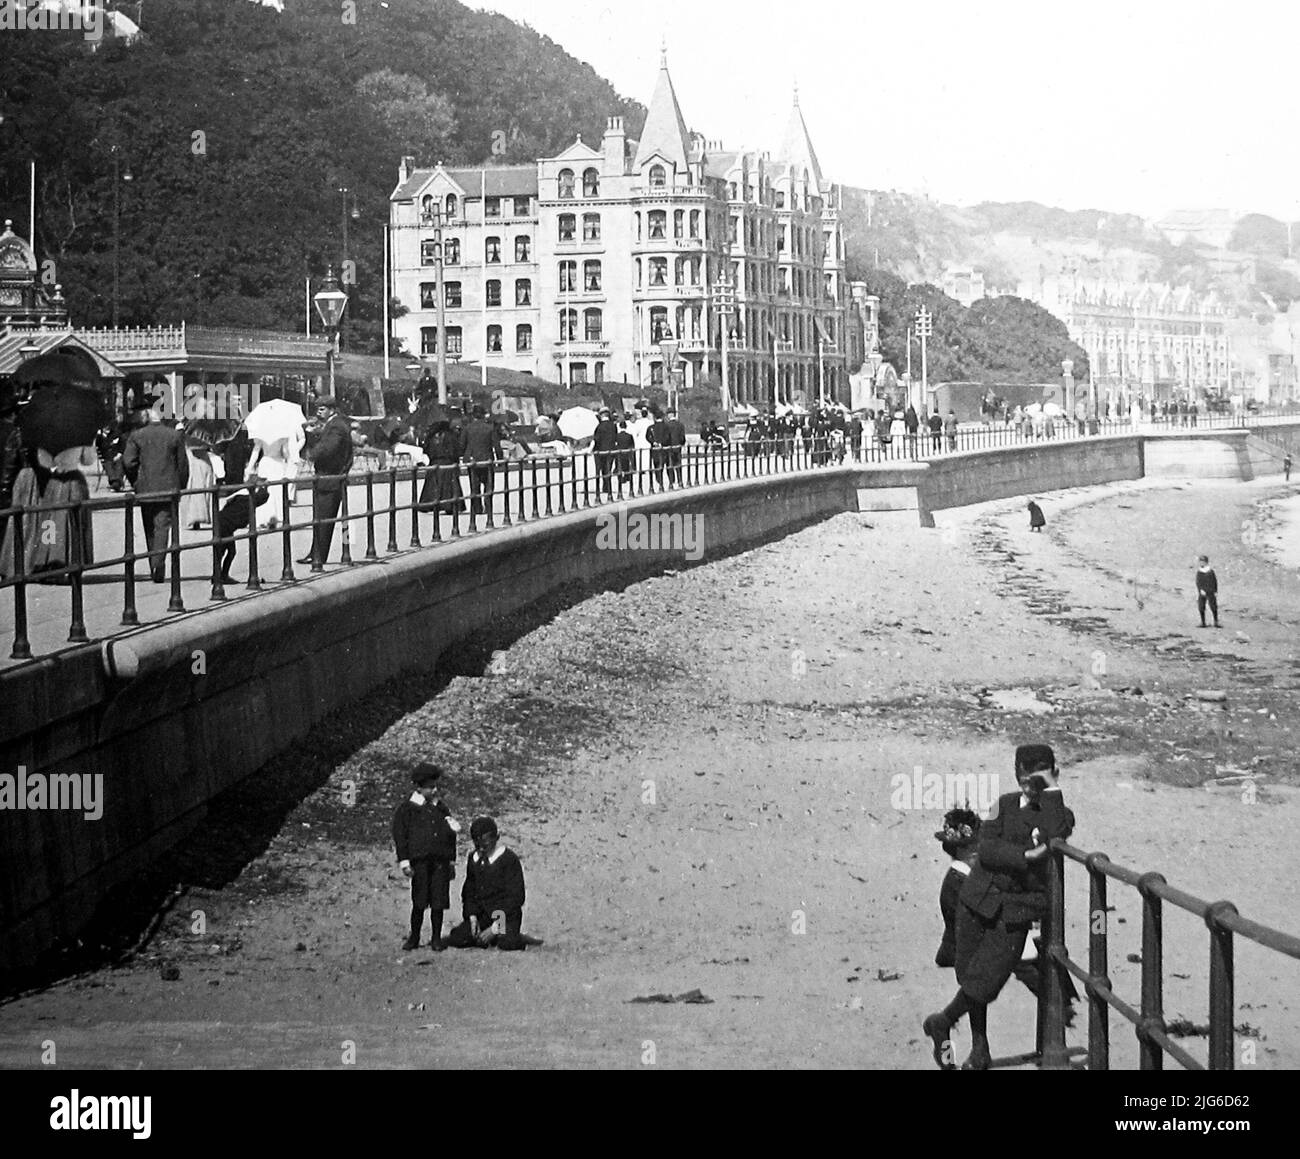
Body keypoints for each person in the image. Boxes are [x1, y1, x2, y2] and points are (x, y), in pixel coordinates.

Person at [923, 745, 1075, 1070]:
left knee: (988, 978)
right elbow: (988, 849)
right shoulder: (1001, 806)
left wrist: (1052, 792)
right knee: (971, 973)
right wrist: (1026, 856)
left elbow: (1057, 831)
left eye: (1037, 779)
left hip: (1015, 910)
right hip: (976, 898)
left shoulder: (1058, 811)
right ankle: (980, 1049)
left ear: (1052, 776)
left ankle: (943, 1021)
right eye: (1023, 778)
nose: (1028, 786)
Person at [392, 763, 460, 951]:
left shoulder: (441, 809)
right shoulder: (408, 810)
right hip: (420, 862)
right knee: (419, 901)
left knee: (438, 902)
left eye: (435, 786)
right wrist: (405, 861)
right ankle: (414, 936)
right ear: (419, 788)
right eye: (430, 787)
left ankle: (436, 937)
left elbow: (451, 834)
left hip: (440, 862)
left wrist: (451, 861)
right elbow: (401, 836)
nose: (434, 790)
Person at [123, 403, 190, 583]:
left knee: (149, 527)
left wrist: (136, 481)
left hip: (145, 488)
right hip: (168, 487)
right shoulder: (174, 435)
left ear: (147, 416)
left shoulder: (136, 436)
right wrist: (180, 486)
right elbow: (183, 465)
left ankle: (154, 560)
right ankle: (158, 563)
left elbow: (128, 462)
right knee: (162, 525)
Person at [446, 816, 528, 951]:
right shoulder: (474, 859)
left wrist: (495, 928)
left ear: (497, 838)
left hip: (505, 917)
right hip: (482, 917)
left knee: (507, 943)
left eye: (485, 845)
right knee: (458, 937)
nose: (482, 849)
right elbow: (469, 891)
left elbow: (516, 898)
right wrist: (472, 917)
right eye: (477, 845)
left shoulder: (508, 859)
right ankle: (482, 935)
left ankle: (516, 936)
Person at [298, 396, 353, 565]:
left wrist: (312, 451)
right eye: (318, 408)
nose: (318, 411)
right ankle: (316, 553)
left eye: (322, 409)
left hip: (330, 478)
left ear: (332, 410)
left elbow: (327, 450)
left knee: (323, 520)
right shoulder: (333, 425)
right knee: (321, 519)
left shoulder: (336, 426)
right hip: (329, 478)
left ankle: (318, 556)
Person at [214, 477, 270, 585]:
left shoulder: (240, 496)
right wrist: (264, 487)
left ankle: (218, 576)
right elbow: (263, 498)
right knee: (229, 551)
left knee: (222, 551)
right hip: (226, 525)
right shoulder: (250, 499)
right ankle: (222, 576)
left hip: (222, 522)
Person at [419, 419, 467, 516]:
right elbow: (457, 450)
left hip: (435, 463)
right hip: (448, 462)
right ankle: (450, 506)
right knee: (449, 487)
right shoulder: (451, 436)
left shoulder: (431, 436)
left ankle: (430, 504)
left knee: (433, 486)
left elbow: (426, 450)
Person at [462, 405, 502, 518]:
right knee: (488, 485)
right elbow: (496, 445)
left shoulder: (467, 428)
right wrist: (500, 459)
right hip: (486, 459)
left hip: (472, 459)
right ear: (484, 415)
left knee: (474, 486)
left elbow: (462, 444)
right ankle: (488, 506)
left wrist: (465, 455)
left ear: (473, 415)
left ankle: (477, 508)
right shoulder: (489, 428)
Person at [592, 407, 618, 498]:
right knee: (608, 469)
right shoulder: (613, 426)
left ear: (601, 415)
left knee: (601, 469)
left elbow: (596, 439)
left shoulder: (599, 427)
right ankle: (607, 487)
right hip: (611, 450)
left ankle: (603, 488)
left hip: (601, 451)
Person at [662, 407, 687, 487]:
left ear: (670, 414)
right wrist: (681, 444)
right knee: (678, 465)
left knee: (670, 465)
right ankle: (680, 481)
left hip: (669, 448)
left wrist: (664, 445)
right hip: (677, 447)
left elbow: (665, 438)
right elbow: (682, 438)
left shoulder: (666, 425)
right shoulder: (680, 425)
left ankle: (671, 483)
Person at [1195, 554, 1220, 628]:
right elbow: (1198, 582)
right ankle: (1203, 622)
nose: (1202, 563)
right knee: (1201, 606)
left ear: (1206, 562)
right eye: (1201, 561)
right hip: (1203, 592)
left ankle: (1216, 622)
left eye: (1203, 562)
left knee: (1213, 606)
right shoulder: (1199, 572)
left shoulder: (1210, 571)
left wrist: (1215, 591)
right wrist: (1200, 590)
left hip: (1210, 591)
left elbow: (1214, 581)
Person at [615, 420, 636, 493]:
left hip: (619, 453)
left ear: (620, 427)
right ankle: (627, 477)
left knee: (619, 465)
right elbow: (632, 445)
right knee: (626, 465)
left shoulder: (617, 436)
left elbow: (615, 445)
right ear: (626, 427)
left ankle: (620, 477)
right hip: (627, 454)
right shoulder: (629, 436)